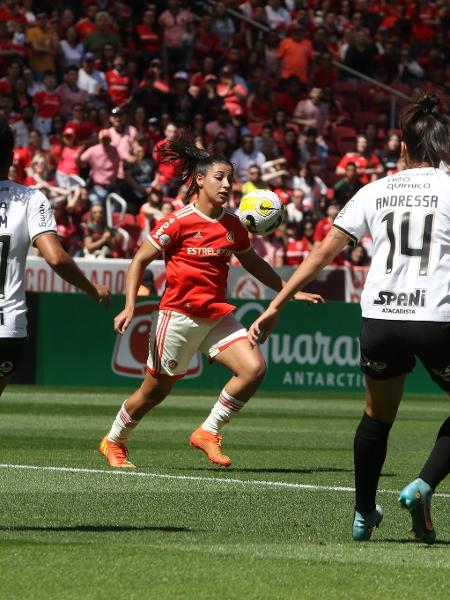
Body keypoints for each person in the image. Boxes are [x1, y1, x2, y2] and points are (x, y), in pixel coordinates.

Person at [248, 92, 450, 545]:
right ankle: (422, 485)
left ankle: (363, 514)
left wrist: (278, 302)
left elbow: (324, 250)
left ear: (402, 149)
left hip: (381, 317)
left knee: (377, 417)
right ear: (443, 150)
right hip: (438, 316)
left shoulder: (374, 190)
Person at [99, 134, 322, 469]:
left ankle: (208, 431)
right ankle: (113, 440)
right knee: (155, 392)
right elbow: (139, 260)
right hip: (177, 316)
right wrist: (130, 305)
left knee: (254, 368)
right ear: (200, 180)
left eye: (230, 178)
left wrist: (289, 289)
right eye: (220, 178)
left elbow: (253, 262)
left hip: (216, 316)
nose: (227, 184)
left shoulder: (233, 225)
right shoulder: (178, 222)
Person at [0, 116, 110, 395]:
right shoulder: (30, 199)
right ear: (12, 156)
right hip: (7, 329)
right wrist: (90, 287)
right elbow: (56, 258)